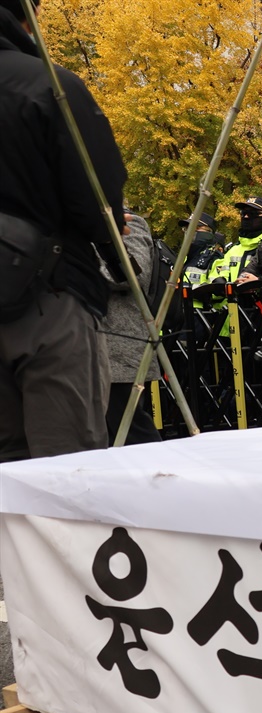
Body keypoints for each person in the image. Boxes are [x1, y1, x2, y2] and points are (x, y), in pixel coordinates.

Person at [1, 0, 126, 461]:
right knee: (67, 468)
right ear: (25, 16)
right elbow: (98, 201)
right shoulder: (50, 86)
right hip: (49, 294)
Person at [100, 208, 162, 445]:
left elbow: (132, 274)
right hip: (93, 351)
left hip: (120, 351)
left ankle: (163, 478)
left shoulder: (129, 223)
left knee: (131, 432)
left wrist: (77, 268)